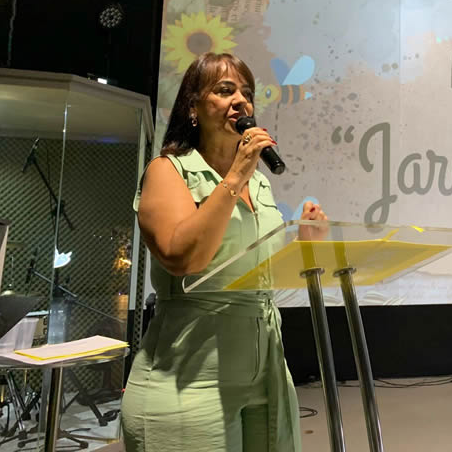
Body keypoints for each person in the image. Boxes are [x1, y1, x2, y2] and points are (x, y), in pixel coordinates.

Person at [121, 52, 326, 451]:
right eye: (225, 90)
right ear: (193, 107)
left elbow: (257, 271)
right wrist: (236, 175)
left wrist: (306, 243)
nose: (241, 102)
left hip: (266, 372)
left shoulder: (259, 184)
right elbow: (185, 259)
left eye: (247, 93)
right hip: (190, 378)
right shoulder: (168, 170)